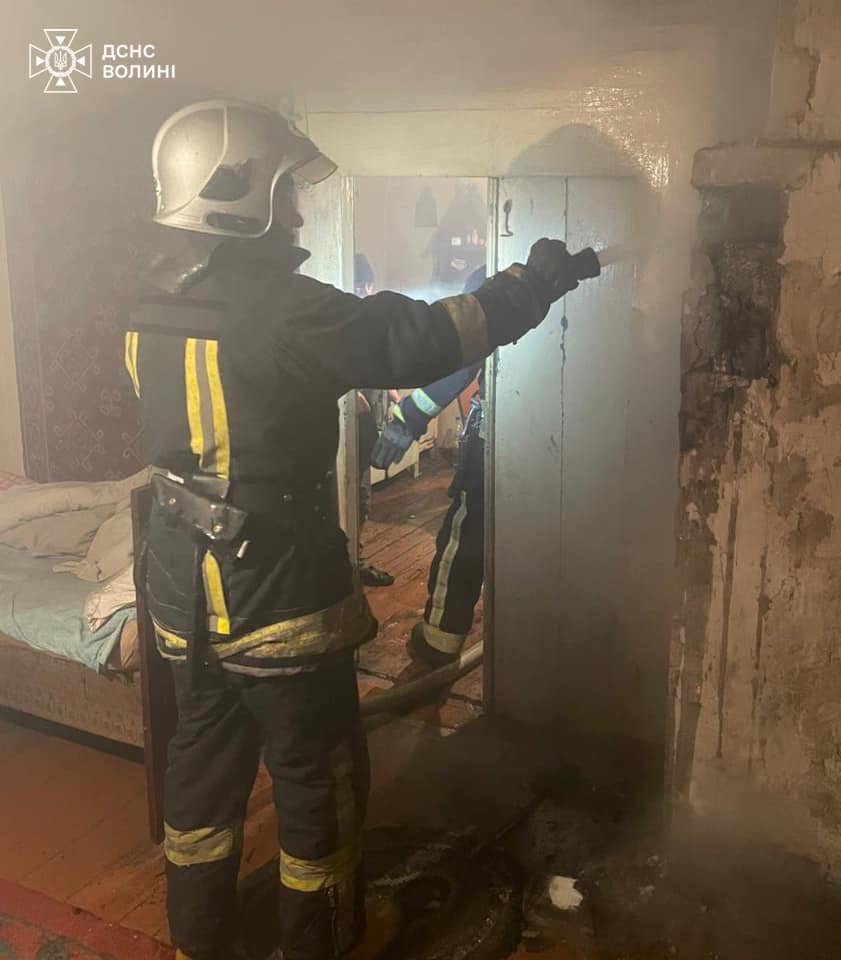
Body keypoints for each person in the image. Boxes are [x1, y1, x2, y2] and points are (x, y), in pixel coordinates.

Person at [124, 99, 594, 960]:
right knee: (320, 785)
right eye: (284, 194)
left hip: (183, 597)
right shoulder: (284, 310)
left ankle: (198, 944)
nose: (297, 215)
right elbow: (423, 338)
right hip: (275, 598)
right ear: (237, 196)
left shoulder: (148, 301)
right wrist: (531, 284)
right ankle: (327, 944)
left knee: (202, 775)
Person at [370, 267, 487, 666]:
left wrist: (407, 417)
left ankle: (439, 641)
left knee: (466, 537)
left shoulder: (492, 277)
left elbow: (463, 363)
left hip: (496, 440)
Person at [352, 254, 394, 588]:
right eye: (360, 285)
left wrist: (390, 388)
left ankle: (356, 560)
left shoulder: (365, 320)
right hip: (345, 430)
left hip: (367, 427)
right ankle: (350, 564)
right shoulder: (336, 321)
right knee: (350, 496)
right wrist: (350, 394)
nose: (366, 291)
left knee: (362, 498)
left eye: (368, 285)